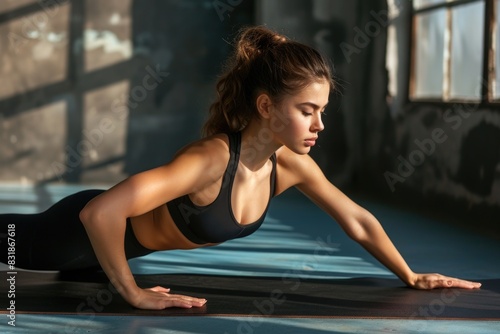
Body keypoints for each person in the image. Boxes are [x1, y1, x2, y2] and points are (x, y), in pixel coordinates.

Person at [1, 26, 481, 310]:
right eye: (308, 110)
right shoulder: (210, 159)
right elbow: (99, 214)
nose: (320, 124)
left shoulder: (289, 166)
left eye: (323, 111)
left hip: (101, 259)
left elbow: (355, 218)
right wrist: (133, 293)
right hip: (69, 238)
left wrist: (411, 275)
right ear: (267, 106)